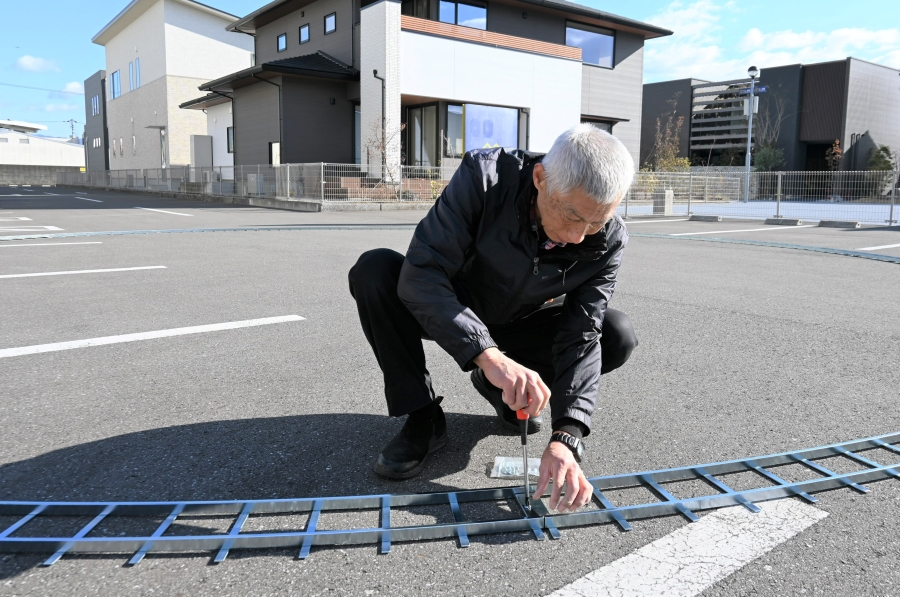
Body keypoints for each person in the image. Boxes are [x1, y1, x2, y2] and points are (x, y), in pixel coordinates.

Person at [348, 124, 638, 513]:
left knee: (614, 334)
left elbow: (580, 332)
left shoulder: (607, 240)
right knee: (375, 271)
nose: (578, 237)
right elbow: (423, 274)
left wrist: (566, 436)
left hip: (521, 322)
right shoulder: (483, 179)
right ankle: (423, 417)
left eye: (597, 222)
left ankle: (498, 386)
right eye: (572, 215)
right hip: (454, 307)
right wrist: (488, 353)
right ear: (540, 179)